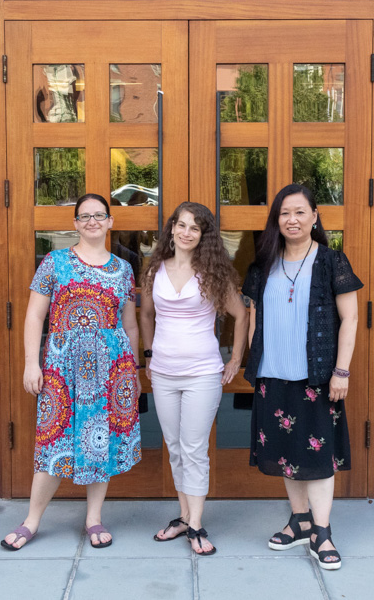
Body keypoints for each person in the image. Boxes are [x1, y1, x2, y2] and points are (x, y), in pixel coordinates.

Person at [2, 193, 141, 551]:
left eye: (99, 215)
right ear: (75, 224)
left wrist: (134, 370)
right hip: (63, 369)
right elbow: (34, 315)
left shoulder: (123, 269)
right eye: (84, 216)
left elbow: (130, 325)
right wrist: (32, 362)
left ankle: (94, 518)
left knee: (101, 440)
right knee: (54, 440)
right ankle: (32, 520)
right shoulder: (55, 262)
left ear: (110, 222)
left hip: (111, 369)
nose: (92, 221)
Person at [242, 184, 362, 571]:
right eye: (284, 213)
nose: (291, 220)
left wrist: (340, 371)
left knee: (318, 455)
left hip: (316, 377)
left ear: (315, 216)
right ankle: (299, 520)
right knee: (285, 452)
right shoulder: (263, 264)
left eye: (299, 212)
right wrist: (252, 360)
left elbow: (351, 318)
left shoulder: (331, 261)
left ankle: (322, 531)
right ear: (276, 220)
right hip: (272, 374)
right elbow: (253, 316)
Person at [138, 202, 248, 556]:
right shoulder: (155, 269)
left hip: (202, 372)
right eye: (181, 225)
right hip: (165, 373)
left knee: (194, 449)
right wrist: (150, 355)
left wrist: (235, 359)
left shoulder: (213, 272)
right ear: (172, 229)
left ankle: (197, 523)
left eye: (194, 228)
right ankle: (185, 516)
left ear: (204, 236)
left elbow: (241, 314)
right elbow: (146, 315)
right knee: (174, 447)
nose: (186, 232)